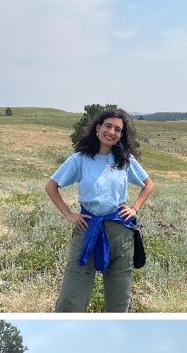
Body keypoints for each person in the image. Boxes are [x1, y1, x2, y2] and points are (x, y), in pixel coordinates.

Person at [45, 107, 155, 312]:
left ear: (121, 135)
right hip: (87, 228)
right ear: (98, 127)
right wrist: (69, 214)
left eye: (118, 129)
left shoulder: (125, 160)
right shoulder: (80, 159)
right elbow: (51, 186)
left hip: (120, 232)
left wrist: (135, 208)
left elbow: (148, 184)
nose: (112, 132)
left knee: (119, 299)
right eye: (108, 126)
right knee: (71, 299)